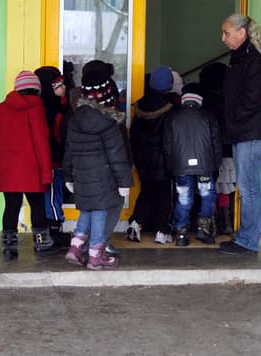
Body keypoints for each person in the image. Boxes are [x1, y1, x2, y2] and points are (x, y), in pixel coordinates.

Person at [218, 14, 261, 255]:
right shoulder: (243, 57)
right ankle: (245, 237)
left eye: (226, 33)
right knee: (247, 186)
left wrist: (232, 121)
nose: (223, 38)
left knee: (248, 187)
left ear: (241, 33)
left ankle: (247, 241)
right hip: (245, 130)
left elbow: (253, 97)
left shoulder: (252, 59)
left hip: (251, 131)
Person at [63, 69, 134, 270]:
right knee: (100, 212)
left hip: (82, 176)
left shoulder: (75, 119)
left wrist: (69, 176)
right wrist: (124, 182)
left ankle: (76, 248)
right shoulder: (108, 121)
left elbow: (69, 150)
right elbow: (117, 155)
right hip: (104, 178)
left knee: (87, 209)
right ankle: (96, 255)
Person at [0, 71, 58, 261]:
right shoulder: (36, 109)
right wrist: (46, 171)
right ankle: (41, 243)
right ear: (36, 89)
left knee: (11, 206)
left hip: (8, 169)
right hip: (31, 169)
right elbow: (41, 143)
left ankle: (9, 247)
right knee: (37, 206)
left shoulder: (0, 109)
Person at [163, 83, 222, 246]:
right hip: (205, 167)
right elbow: (217, 146)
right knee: (207, 196)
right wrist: (216, 167)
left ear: (184, 99)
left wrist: (171, 167)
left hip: (181, 167)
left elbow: (167, 146)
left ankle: (181, 234)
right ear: (199, 99)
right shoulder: (209, 117)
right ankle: (203, 230)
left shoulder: (172, 117)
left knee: (183, 198)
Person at [128, 65, 177, 244]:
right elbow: (172, 137)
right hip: (163, 160)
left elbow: (133, 134)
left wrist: (134, 158)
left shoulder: (140, 104)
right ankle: (161, 231)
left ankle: (136, 222)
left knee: (146, 192)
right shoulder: (172, 106)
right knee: (164, 196)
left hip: (143, 160)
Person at [34, 66, 71, 247]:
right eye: (58, 85)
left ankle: (53, 228)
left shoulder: (49, 107)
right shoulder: (52, 112)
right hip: (53, 161)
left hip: (51, 161)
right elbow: (57, 138)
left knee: (53, 194)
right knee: (52, 195)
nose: (63, 88)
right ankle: (54, 229)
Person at [200, 62, 236, 235]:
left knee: (208, 190)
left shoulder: (204, 101)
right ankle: (227, 222)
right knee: (224, 189)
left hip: (207, 153)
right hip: (228, 151)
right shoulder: (231, 99)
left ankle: (210, 224)